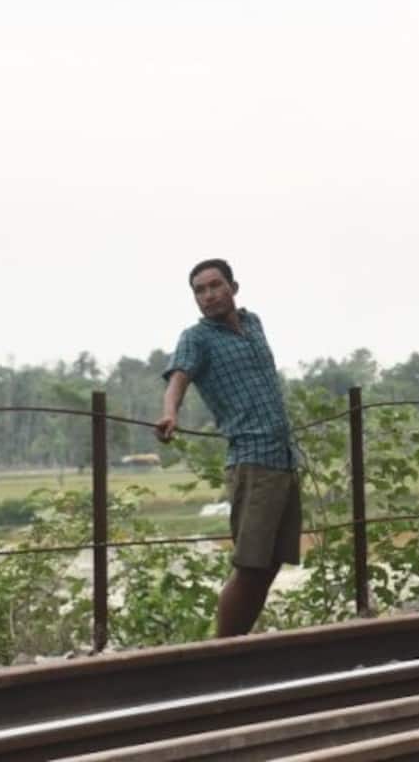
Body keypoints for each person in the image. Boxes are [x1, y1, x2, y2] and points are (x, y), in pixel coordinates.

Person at [157, 259, 300, 638]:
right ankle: (223, 652)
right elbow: (178, 377)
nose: (208, 296)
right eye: (199, 291)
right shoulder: (197, 338)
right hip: (252, 461)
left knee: (271, 564)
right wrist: (170, 413)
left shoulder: (253, 324)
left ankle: (238, 648)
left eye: (215, 286)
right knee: (251, 564)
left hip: (283, 457)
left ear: (233, 288)